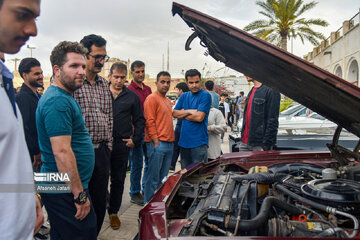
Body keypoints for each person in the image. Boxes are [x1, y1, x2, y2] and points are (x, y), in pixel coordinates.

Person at [36, 41, 96, 239]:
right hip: (63, 186)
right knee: (81, 234)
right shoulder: (57, 101)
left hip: (62, 185)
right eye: (73, 66)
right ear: (57, 69)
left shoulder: (64, 96)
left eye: (82, 66)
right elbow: (61, 152)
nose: (81, 71)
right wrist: (80, 196)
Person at [0, 0, 43, 239]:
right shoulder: (25, 97)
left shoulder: (4, 84)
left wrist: (27, 199)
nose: (32, 30)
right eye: (22, 14)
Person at [73, 34, 113, 234]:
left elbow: (109, 117)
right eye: (97, 56)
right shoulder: (73, 84)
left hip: (102, 153)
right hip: (79, 155)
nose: (101, 61)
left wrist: (109, 147)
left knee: (98, 202)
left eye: (103, 57)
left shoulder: (105, 84)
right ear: (84, 54)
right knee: (79, 203)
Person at [107, 62, 145, 229]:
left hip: (121, 144)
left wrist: (135, 140)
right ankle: (101, 206)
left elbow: (139, 120)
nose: (119, 80)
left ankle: (113, 212)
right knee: (98, 179)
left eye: (122, 77)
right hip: (100, 144)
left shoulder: (132, 97)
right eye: (116, 77)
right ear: (110, 76)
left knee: (118, 179)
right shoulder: (101, 93)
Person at [143, 71, 174, 202]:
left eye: (168, 82)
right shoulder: (152, 98)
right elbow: (149, 121)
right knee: (153, 178)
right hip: (158, 144)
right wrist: (155, 141)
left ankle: (158, 206)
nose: (165, 85)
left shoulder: (167, 100)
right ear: (156, 83)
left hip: (169, 143)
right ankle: (148, 206)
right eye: (162, 82)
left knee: (163, 179)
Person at [173, 69, 212, 168]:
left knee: (199, 178)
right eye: (191, 83)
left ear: (200, 81)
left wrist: (183, 112)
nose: (194, 85)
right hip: (183, 142)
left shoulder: (206, 95)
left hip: (199, 144)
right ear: (187, 83)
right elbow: (174, 113)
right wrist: (190, 111)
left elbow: (199, 117)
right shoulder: (184, 96)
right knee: (185, 178)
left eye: (196, 82)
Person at [127, 60, 152, 205]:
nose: (141, 74)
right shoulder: (129, 90)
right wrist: (131, 134)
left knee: (149, 161)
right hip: (136, 133)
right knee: (136, 164)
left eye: (142, 71)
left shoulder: (148, 89)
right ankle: (134, 192)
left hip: (148, 132)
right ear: (132, 73)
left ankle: (145, 189)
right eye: (138, 72)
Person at [15, 58, 43, 171]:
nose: (41, 76)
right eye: (36, 74)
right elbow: (24, 127)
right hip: (33, 156)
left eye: (41, 73)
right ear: (25, 75)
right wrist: (35, 152)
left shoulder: (36, 95)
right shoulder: (22, 97)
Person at [240, 76, 281, 151]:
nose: (244, 74)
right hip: (244, 142)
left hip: (259, 144)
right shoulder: (252, 91)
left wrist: (266, 146)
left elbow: (273, 120)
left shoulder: (271, 90)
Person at [169, 82, 189, 172]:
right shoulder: (188, 96)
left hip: (181, 125)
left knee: (177, 146)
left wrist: (181, 112)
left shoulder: (184, 97)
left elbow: (176, 112)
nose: (176, 92)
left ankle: (173, 165)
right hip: (182, 124)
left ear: (181, 90)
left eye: (177, 90)